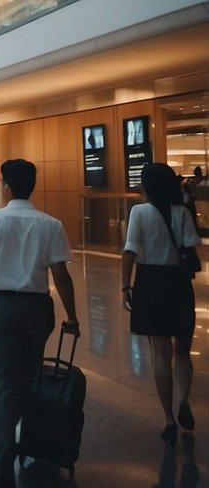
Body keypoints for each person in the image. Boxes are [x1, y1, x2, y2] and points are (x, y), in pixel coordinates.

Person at [0, 159, 78, 488]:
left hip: (5, 309)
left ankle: (5, 457)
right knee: (29, 378)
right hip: (39, 310)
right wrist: (72, 316)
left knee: (2, 384)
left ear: (6, 186)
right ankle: (29, 445)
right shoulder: (51, 224)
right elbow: (62, 277)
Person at [121, 162, 201, 443]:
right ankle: (184, 401)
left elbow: (130, 251)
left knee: (161, 353)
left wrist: (124, 287)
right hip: (179, 284)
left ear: (148, 185)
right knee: (182, 350)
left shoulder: (139, 212)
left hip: (150, 282)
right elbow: (191, 244)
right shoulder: (181, 212)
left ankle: (168, 417)